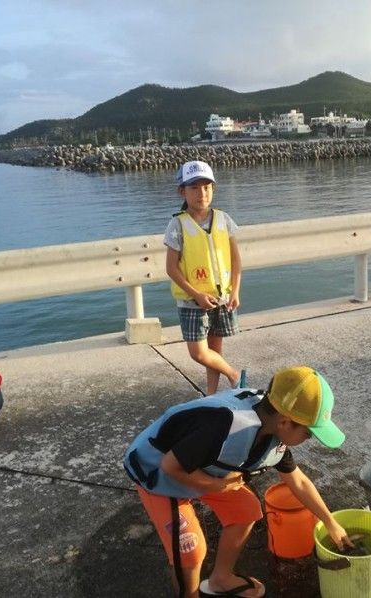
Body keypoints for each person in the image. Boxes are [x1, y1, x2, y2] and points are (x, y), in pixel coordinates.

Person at [123, 366, 353, 598]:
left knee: (246, 508)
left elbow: (299, 482)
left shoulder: (272, 424)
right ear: (285, 422)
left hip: (200, 468)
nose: (308, 439)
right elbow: (170, 466)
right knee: (190, 549)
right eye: (309, 433)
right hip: (159, 476)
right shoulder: (222, 427)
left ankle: (221, 578)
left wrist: (331, 522)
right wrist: (216, 486)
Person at [164, 160, 242, 394]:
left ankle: (211, 395)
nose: (202, 193)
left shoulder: (223, 219)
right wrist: (196, 294)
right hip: (192, 301)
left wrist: (235, 290)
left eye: (207, 187)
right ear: (183, 191)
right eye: (194, 188)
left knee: (214, 351)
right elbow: (171, 268)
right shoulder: (177, 224)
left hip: (221, 298)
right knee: (198, 353)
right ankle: (233, 374)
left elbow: (235, 260)